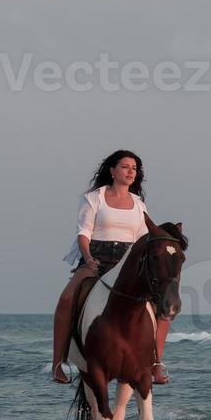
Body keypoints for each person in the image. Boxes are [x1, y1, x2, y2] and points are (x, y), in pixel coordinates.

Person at [50, 151, 171, 385]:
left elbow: (143, 238)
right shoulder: (94, 198)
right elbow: (83, 233)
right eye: (125, 167)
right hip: (97, 257)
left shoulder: (138, 204)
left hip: (127, 263)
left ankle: (155, 364)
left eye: (134, 168)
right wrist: (88, 257)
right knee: (67, 299)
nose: (130, 172)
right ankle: (58, 363)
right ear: (112, 171)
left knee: (163, 306)